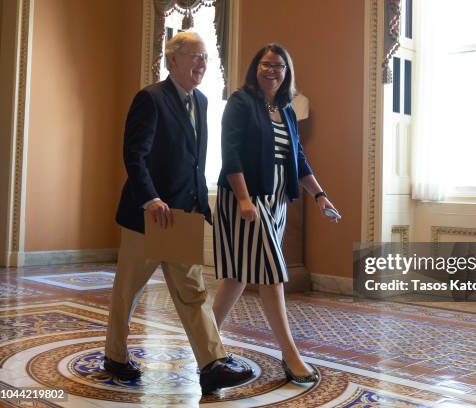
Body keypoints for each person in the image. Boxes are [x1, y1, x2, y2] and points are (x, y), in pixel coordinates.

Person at [104, 32, 253, 394]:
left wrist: (200, 205)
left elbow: (194, 161)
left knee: (193, 293)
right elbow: (134, 155)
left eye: (205, 57)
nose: (202, 63)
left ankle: (212, 364)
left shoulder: (201, 101)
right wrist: (150, 198)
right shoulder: (150, 99)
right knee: (128, 291)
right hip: (148, 216)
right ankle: (115, 357)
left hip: (182, 216)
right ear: (173, 61)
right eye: (195, 56)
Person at [212, 43, 340, 383]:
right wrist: (243, 198)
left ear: (287, 73)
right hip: (247, 200)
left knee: (238, 275)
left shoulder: (286, 110)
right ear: (256, 68)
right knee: (271, 272)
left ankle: (205, 342)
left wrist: (320, 196)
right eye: (266, 64)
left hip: (276, 203)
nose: (272, 70)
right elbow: (231, 153)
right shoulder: (241, 102)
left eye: (279, 66)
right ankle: (290, 355)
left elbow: (298, 159)